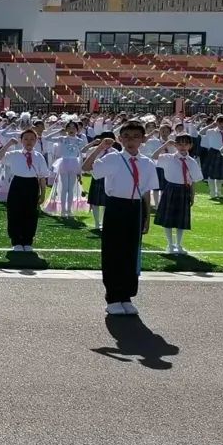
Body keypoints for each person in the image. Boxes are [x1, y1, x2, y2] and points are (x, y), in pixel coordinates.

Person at [82, 122, 157, 316]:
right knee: (114, 251)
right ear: (120, 139)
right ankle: (113, 296)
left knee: (131, 252)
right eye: (127, 136)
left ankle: (126, 295)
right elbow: (87, 167)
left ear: (142, 139)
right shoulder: (113, 158)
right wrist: (100, 148)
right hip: (116, 206)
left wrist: (146, 217)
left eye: (135, 136)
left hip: (136, 208)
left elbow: (146, 192)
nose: (131, 140)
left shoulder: (147, 163)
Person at [0, 130, 50, 252]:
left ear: (36, 141)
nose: (29, 142)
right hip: (17, 184)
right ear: (21, 141)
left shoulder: (39, 157)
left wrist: (43, 194)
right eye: (26, 139)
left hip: (32, 185)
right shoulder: (14, 154)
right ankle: (16, 241)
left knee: (30, 214)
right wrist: (9, 144)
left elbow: (42, 177)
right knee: (14, 213)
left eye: (32, 139)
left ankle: (27, 241)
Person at [151, 135, 202, 255]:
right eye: (179, 144)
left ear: (190, 145)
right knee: (168, 219)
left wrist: (192, 195)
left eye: (185, 144)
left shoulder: (192, 162)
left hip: (185, 190)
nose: (182, 147)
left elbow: (193, 180)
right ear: (175, 145)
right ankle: (169, 244)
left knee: (181, 220)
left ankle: (179, 245)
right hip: (171, 189)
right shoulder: (168, 158)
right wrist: (165, 144)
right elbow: (154, 157)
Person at [199, 114, 223, 198]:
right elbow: (201, 132)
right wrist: (212, 124)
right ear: (217, 122)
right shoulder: (211, 131)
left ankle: (219, 192)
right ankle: (212, 193)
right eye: (221, 122)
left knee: (220, 174)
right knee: (211, 174)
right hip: (213, 152)